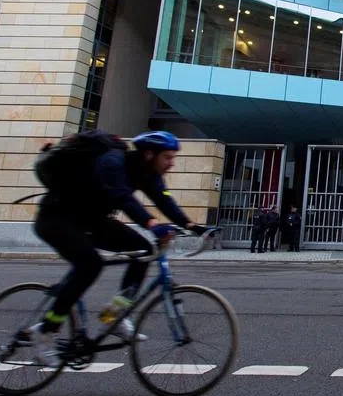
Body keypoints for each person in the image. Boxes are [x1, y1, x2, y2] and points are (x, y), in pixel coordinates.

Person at [28, 131, 208, 367]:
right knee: (90, 265)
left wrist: (193, 226)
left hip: (91, 220)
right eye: (167, 157)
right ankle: (45, 330)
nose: (171, 164)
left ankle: (113, 316)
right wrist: (152, 224)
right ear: (149, 154)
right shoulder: (112, 161)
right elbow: (123, 197)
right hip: (57, 218)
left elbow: (164, 200)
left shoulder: (148, 173)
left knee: (143, 250)